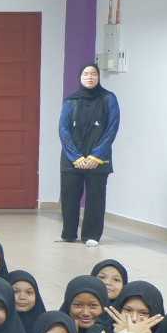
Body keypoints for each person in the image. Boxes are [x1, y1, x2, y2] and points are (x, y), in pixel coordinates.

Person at [58, 63, 120, 245]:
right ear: (80, 77)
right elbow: (63, 129)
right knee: (69, 197)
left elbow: (112, 128)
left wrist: (96, 156)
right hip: (72, 159)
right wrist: (76, 157)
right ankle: (69, 234)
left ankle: (91, 235)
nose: (90, 77)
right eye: (86, 74)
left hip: (98, 160)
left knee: (96, 199)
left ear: (99, 77)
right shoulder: (71, 101)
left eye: (93, 74)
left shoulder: (109, 98)